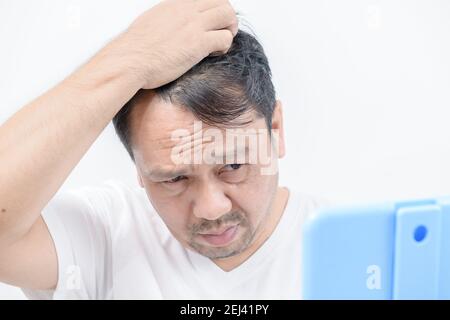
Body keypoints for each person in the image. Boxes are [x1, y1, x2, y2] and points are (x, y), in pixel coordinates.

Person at [0, 0, 328, 299]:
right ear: (139, 168)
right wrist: (130, 58)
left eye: (234, 166)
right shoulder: (105, 236)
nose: (211, 208)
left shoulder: (359, 252)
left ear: (276, 130)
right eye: (174, 179)